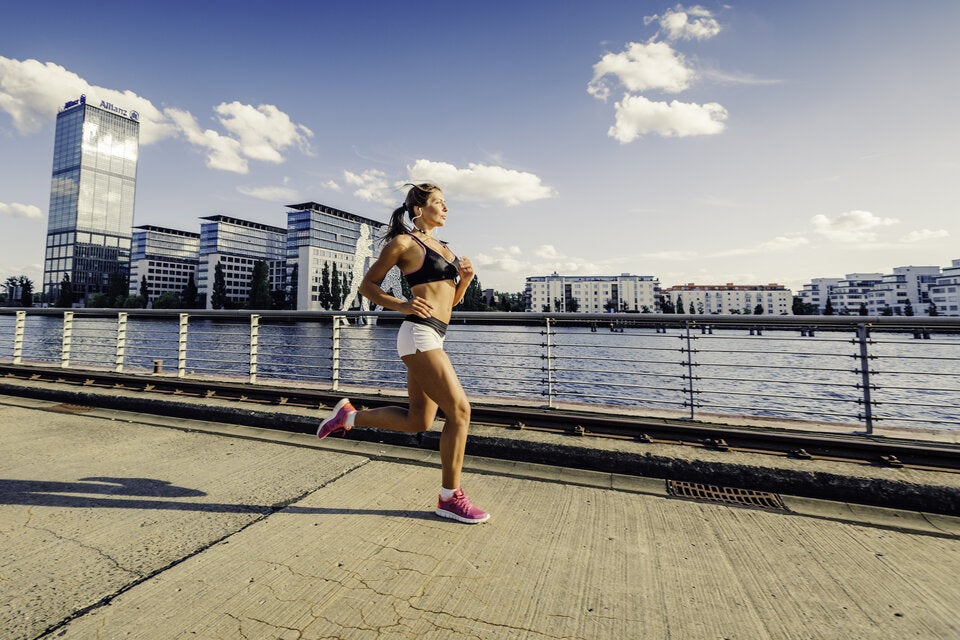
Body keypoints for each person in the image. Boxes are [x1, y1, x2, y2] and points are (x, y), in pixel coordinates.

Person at [316, 183, 489, 524]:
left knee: (418, 421)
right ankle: (450, 497)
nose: (446, 208)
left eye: (445, 203)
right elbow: (367, 286)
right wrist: (402, 304)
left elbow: (447, 303)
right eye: (439, 203)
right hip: (418, 334)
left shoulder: (445, 248)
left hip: (435, 335)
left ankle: (348, 417)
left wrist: (465, 281)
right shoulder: (404, 242)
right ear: (419, 210)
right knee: (460, 413)